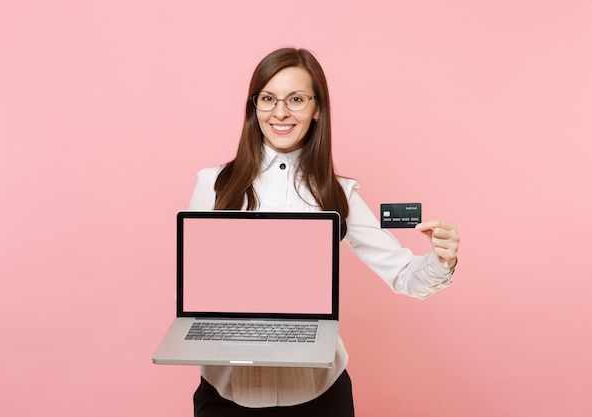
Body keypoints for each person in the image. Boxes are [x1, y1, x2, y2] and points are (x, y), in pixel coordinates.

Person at [187, 47, 460, 417]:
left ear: (317, 109)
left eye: (296, 99)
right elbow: (193, 286)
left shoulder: (337, 193)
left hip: (320, 398)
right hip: (225, 396)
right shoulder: (214, 184)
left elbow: (402, 275)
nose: (280, 112)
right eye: (268, 98)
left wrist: (441, 261)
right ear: (254, 107)